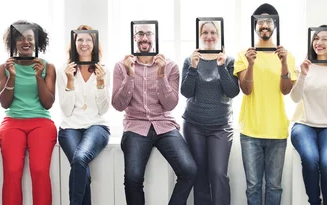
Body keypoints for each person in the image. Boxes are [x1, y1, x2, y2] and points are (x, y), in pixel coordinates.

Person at [112, 23, 197, 205]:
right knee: (133, 178)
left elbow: (170, 104)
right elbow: (118, 105)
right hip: (135, 126)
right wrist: (129, 75)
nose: (144, 38)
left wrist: (161, 75)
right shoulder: (121, 66)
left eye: (149, 34)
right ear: (134, 37)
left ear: (155, 38)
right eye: (140, 34)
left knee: (189, 170)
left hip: (164, 125)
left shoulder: (170, 66)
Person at [234, 3, 297, 205]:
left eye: (269, 21)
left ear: (275, 25)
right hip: (250, 131)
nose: (264, 25)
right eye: (260, 21)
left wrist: (285, 63)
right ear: (255, 25)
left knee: (274, 186)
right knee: (253, 187)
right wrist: (251, 64)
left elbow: (286, 90)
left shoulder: (287, 55)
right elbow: (246, 89)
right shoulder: (245, 54)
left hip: (277, 131)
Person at [0, 20, 57, 205]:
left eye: (30, 38)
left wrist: (38, 77)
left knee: (39, 170)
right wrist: (12, 76)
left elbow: (48, 103)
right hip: (13, 122)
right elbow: (4, 102)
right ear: (13, 43)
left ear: (37, 42)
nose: (26, 42)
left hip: (41, 122)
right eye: (20, 38)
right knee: (13, 171)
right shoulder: (5, 68)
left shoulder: (48, 67)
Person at [180, 21, 239, 205]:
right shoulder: (190, 60)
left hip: (220, 127)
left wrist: (221, 67)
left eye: (213, 32)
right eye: (205, 32)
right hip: (194, 125)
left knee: (218, 173)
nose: (209, 36)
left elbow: (232, 92)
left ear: (219, 35)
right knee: (200, 174)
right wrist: (193, 67)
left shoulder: (228, 61)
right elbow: (186, 92)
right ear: (200, 35)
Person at [290, 25, 327, 205]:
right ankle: (314, 202)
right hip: (304, 125)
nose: (319, 43)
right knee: (311, 159)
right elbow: (295, 98)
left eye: (324, 39)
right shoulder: (305, 66)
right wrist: (303, 75)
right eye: (316, 38)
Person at [57, 25, 110, 205]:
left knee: (80, 159)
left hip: (96, 126)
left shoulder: (103, 70)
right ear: (74, 44)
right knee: (83, 172)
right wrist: (70, 81)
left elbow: (103, 109)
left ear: (94, 44)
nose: (84, 43)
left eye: (88, 39)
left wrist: (101, 83)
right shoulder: (65, 70)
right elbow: (66, 110)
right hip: (70, 127)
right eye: (80, 39)